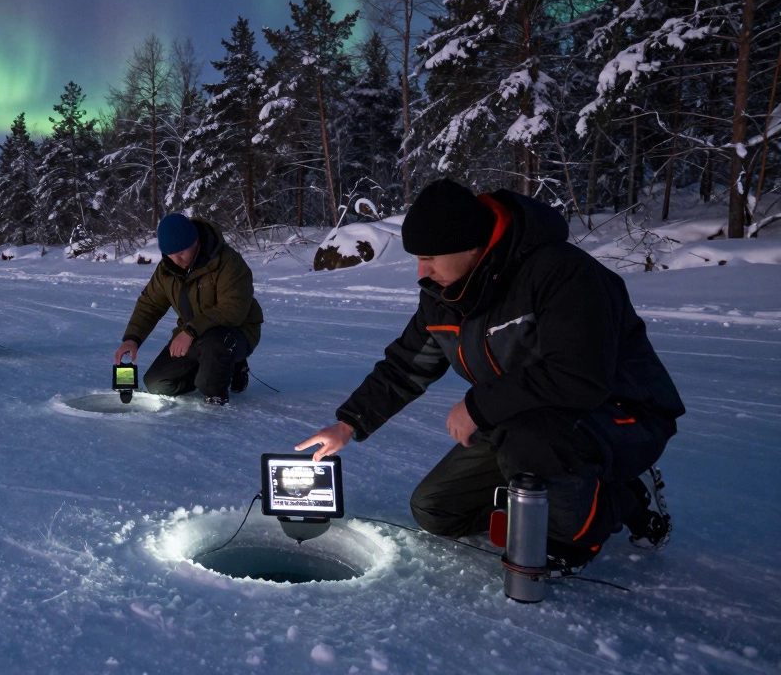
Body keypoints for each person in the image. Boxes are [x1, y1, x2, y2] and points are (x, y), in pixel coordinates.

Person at [295, 179, 685, 572]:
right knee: (435, 509)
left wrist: (477, 405)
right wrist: (348, 425)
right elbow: (405, 366)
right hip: (522, 421)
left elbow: (579, 376)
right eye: (416, 258)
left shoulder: (561, 272)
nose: (421, 271)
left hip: (619, 414)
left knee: (532, 444)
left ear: (471, 245)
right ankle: (547, 491)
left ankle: (599, 516)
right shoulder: (443, 296)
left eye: (430, 257)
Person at [114, 213, 264, 405]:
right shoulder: (167, 269)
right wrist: (132, 339)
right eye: (170, 255)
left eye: (182, 253)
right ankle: (211, 369)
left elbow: (233, 309)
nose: (177, 261)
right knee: (158, 384)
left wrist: (191, 330)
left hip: (235, 333)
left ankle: (225, 375)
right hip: (192, 335)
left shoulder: (228, 262)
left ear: (196, 241)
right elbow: (150, 304)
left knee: (210, 379)